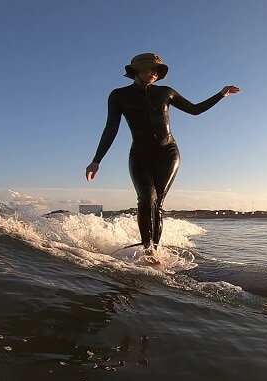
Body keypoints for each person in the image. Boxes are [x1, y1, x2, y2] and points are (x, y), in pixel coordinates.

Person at [86, 53, 239, 255]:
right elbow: (111, 128)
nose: (154, 73)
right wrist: (96, 160)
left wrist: (221, 94)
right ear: (136, 71)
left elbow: (195, 110)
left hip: (168, 152)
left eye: (157, 70)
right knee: (146, 198)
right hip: (140, 154)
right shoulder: (119, 95)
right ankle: (147, 247)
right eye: (150, 69)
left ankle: (153, 251)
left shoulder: (166, 92)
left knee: (157, 201)